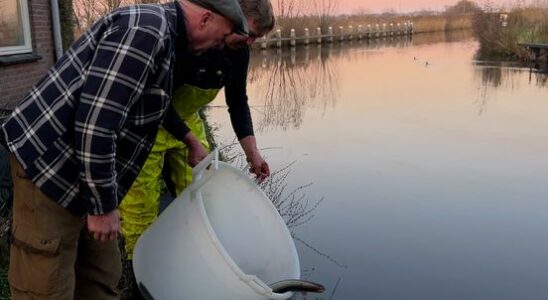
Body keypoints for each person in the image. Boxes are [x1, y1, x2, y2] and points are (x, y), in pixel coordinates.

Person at [0, 0, 248, 298]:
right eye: (221, 38)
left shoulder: (169, 41)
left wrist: (189, 139)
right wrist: (103, 207)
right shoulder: (146, 31)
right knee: (46, 281)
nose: (217, 47)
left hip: (89, 172)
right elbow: (96, 124)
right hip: (50, 165)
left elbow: (152, 105)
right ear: (206, 18)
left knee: (102, 274)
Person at [118, 0, 275, 265]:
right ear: (229, 16)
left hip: (188, 122)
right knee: (139, 208)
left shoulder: (238, 51)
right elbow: (155, 98)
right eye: (248, 34)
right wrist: (189, 140)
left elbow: (237, 102)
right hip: (144, 124)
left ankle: (196, 258)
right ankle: (140, 269)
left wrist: (253, 154)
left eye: (256, 39)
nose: (250, 43)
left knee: (203, 195)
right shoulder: (190, 39)